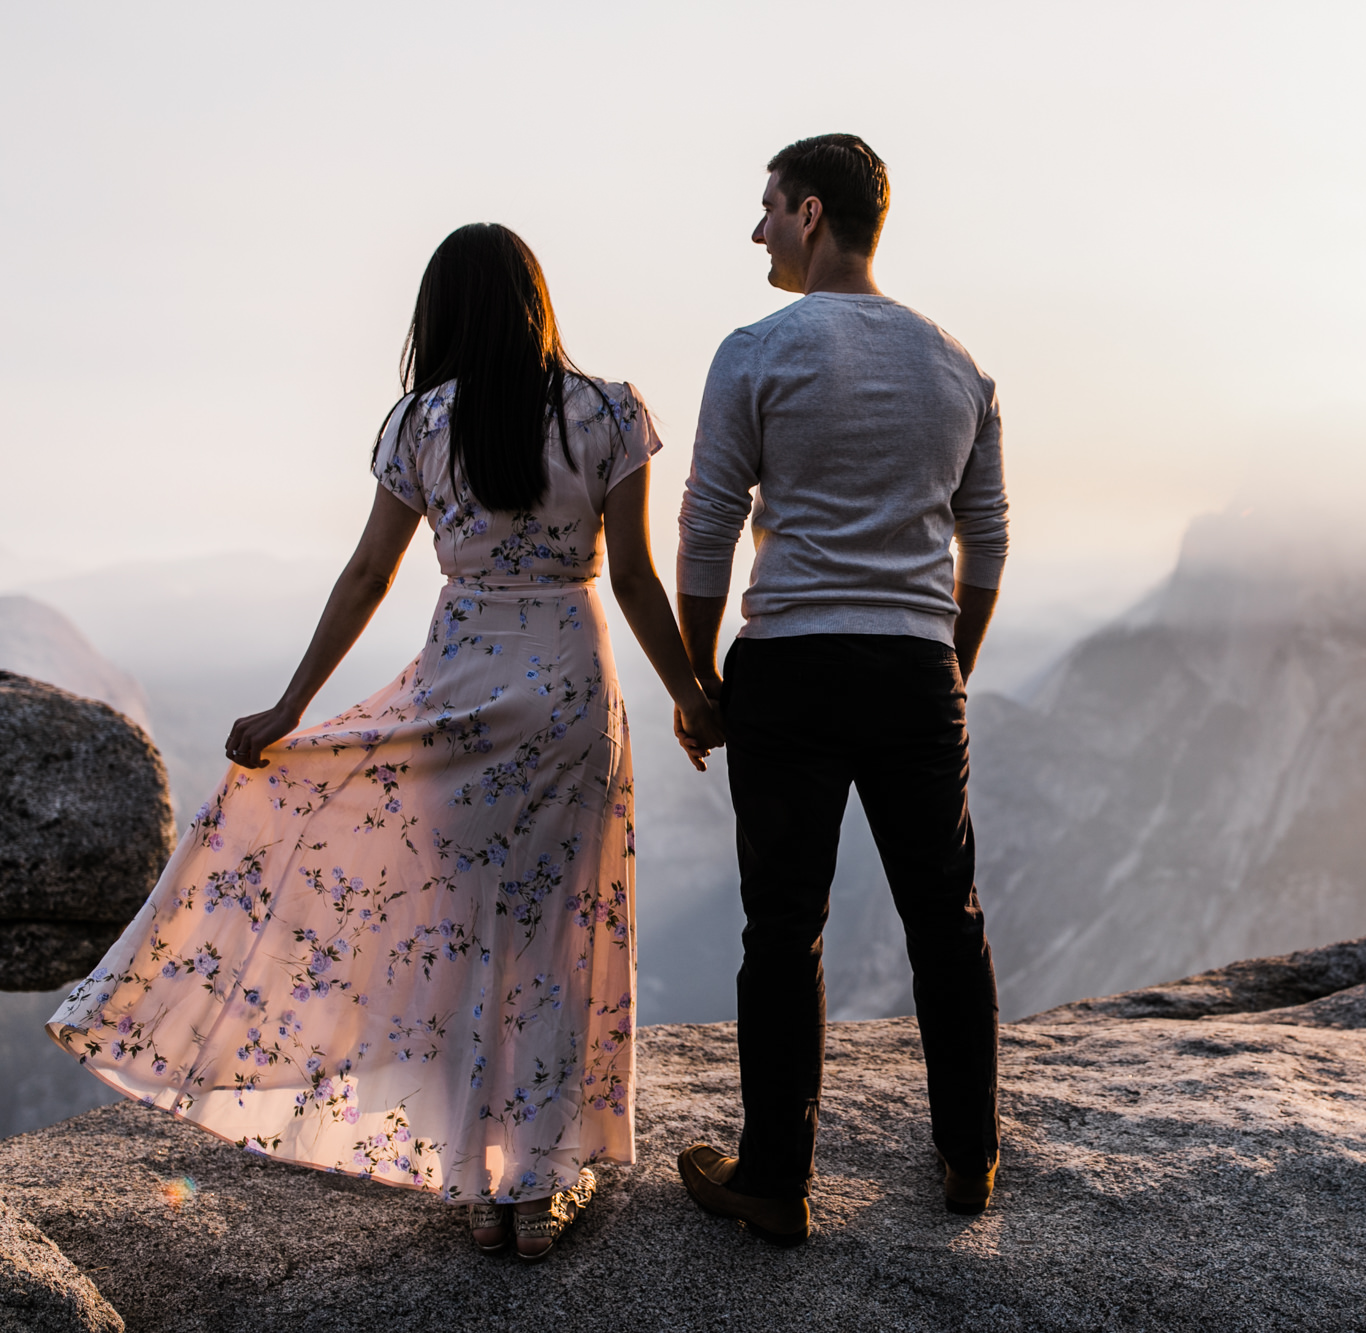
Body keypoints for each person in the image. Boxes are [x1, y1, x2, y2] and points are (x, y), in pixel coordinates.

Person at [47, 223, 726, 1262]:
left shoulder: (420, 422)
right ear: (536, 303)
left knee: (463, 927)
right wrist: (688, 693)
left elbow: (366, 574)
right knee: (553, 932)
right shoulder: (607, 412)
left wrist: (289, 708)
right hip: (569, 688)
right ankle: (537, 1185)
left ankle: (477, 1173)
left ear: (440, 314)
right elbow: (632, 577)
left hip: (461, 681)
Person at [673, 133, 1009, 1246]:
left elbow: (709, 524)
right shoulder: (957, 364)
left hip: (793, 665)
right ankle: (968, 1160)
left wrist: (694, 674)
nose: (757, 227)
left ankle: (776, 1176)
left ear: (811, 213)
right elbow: (987, 541)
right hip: (914, 666)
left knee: (783, 925)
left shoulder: (755, 350)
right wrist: (944, 662)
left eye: (767, 205)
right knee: (944, 920)